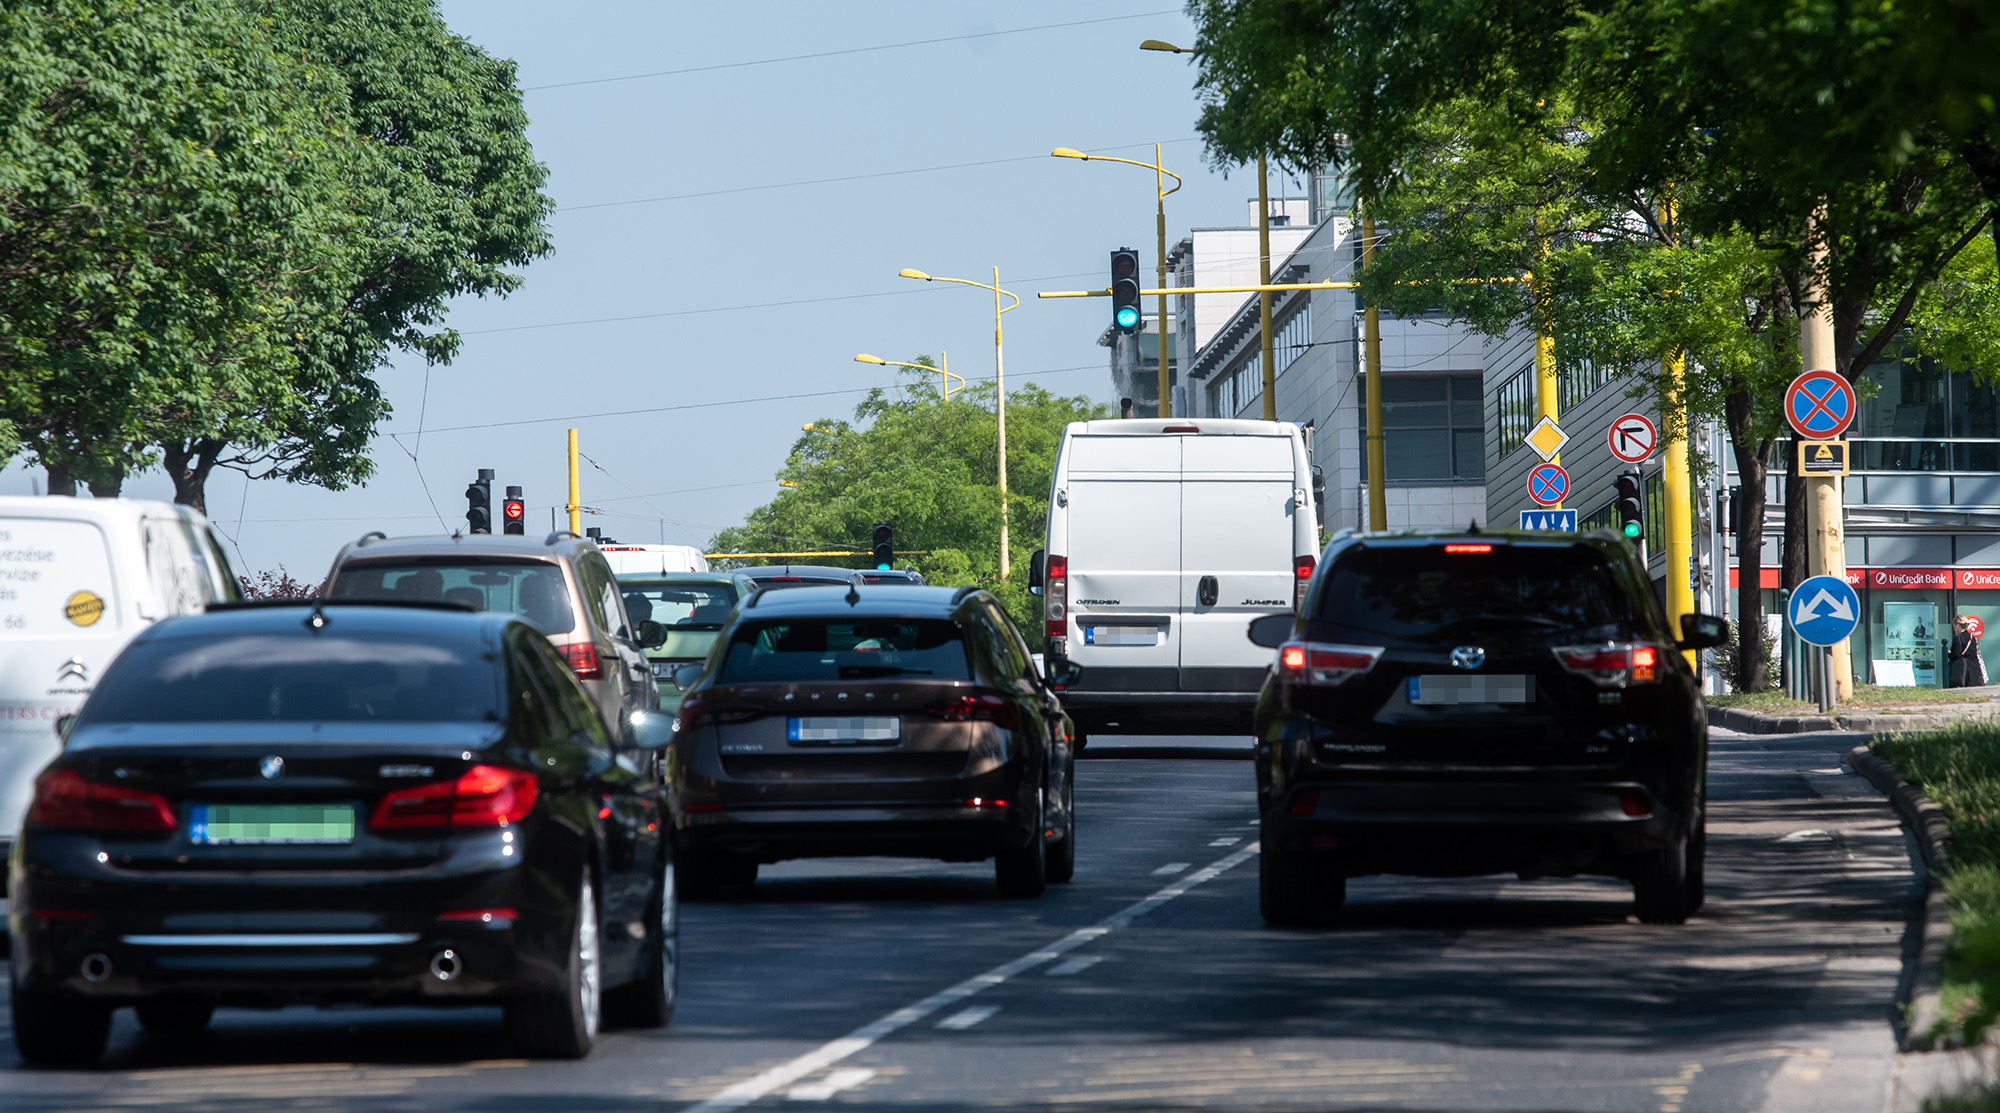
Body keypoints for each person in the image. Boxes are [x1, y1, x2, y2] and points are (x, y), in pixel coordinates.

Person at [1948, 616, 1977, 688]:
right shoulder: (1972, 637)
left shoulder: (1957, 638)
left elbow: (1955, 655)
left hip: (1962, 670)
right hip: (1973, 669)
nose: (1954, 628)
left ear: (1957, 624)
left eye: (1954, 626)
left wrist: (1948, 653)